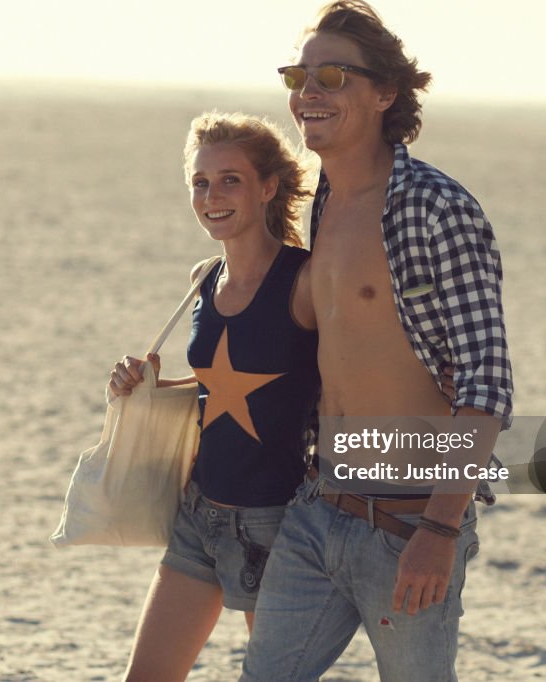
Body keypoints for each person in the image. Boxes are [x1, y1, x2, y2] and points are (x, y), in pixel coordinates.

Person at [240, 2, 514, 681]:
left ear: (385, 93)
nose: (308, 93)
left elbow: (487, 383)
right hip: (318, 509)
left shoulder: (435, 208)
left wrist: (440, 529)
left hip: (406, 525)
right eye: (298, 77)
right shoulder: (323, 200)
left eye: (332, 76)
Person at [108, 112, 319, 682]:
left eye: (230, 180)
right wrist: (145, 385)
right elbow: (222, 386)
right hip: (199, 515)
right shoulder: (205, 279)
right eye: (200, 182)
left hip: (270, 525)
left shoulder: (305, 282)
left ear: (268, 187)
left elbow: (323, 384)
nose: (211, 196)